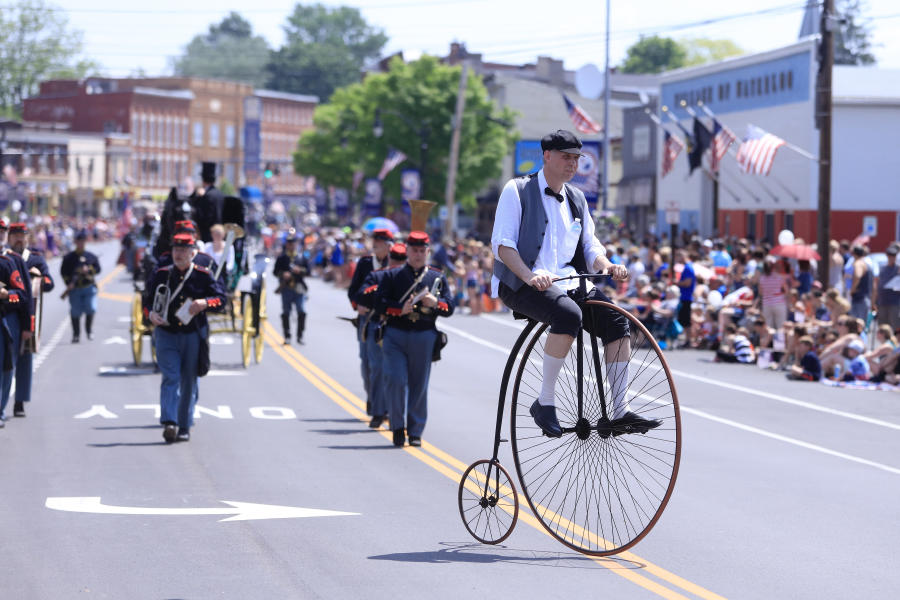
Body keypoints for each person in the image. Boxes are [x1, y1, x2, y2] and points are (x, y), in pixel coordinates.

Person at [490, 129, 658, 438]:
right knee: (568, 314)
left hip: (569, 282)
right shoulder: (517, 190)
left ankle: (620, 410)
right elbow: (503, 245)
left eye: (576, 158)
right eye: (566, 157)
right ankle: (545, 401)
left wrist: (607, 265)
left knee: (617, 320)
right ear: (547, 156)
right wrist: (529, 275)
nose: (572, 164)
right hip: (523, 283)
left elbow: (590, 246)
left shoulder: (577, 198)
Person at [375, 231, 454, 447]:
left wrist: (435, 303)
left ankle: (416, 430)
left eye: (422, 251)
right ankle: (397, 426)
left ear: (427, 252)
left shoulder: (436, 277)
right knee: (396, 380)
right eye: (414, 250)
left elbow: (450, 307)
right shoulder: (393, 275)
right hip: (395, 333)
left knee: (419, 384)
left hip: (424, 334)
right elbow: (379, 303)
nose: (418, 255)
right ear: (407, 250)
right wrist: (398, 309)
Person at [146, 233, 226, 443]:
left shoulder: (202, 275)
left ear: (192, 254)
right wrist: (150, 314)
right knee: (171, 376)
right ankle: (169, 422)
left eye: (183, 251)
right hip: (166, 333)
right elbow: (147, 300)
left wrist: (205, 303)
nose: (178, 254)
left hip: (192, 335)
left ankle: (184, 426)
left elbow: (221, 300)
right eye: (176, 250)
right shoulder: (162, 274)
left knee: (189, 380)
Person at [353, 242, 407, 428]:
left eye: (401, 260)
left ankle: (394, 413)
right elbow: (361, 295)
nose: (397, 263)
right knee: (377, 370)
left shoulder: (413, 278)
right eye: (397, 259)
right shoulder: (378, 276)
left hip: (403, 328)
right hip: (380, 327)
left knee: (397, 374)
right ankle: (379, 411)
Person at [9, 223, 54, 418]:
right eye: (15, 236)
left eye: (22, 236)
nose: (19, 239)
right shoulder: (5, 257)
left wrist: (38, 279)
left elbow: (49, 282)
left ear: (27, 238)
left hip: (28, 314)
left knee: (25, 358)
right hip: (8, 311)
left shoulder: (35, 259)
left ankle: (19, 401)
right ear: (9, 238)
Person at [346, 228, 393, 415]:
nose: (376, 245)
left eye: (380, 242)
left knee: (386, 364)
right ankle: (372, 397)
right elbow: (353, 290)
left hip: (387, 318)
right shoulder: (365, 263)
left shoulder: (396, 263)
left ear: (388, 245)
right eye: (375, 241)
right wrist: (357, 305)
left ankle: (384, 404)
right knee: (367, 363)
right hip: (366, 319)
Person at [0, 222, 31, 426]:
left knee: (5, 366)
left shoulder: (9, 262)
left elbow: (22, 295)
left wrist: (6, 294)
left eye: (1, 232)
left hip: (5, 320)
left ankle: (0, 409)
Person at [60, 230, 100, 343]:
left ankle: (89, 330)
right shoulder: (68, 258)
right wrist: (69, 283)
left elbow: (98, 269)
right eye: (79, 241)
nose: (81, 243)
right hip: (75, 288)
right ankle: (76, 334)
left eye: (82, 241)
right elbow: (63, 272)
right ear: (75, 242)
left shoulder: (90, 256)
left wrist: (89, 270)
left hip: (88, 287)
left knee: (91, 308)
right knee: (75, 312)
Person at [273, 229, 310, 344]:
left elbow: (308, 271)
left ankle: (300, 335)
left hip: (299, 287)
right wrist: (283, 274)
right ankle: (287, 335)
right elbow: (275, 272)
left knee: (301, 311)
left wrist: (300, 270)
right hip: (286, 288)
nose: (291, 246)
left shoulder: (301, 257)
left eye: (293, 243)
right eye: (289, 243)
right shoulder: (282, 258)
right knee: (286, 312)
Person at [191, 162, 224, 244]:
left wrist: (198, 197)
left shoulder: (206, 196)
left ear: (203, 179)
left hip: (206, 235)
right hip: (219, 234)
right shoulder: (220, 194)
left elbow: (200, 215)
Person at [875, 243, 899, 331]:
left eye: (894, 256)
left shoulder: (898, 268)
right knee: (882, 326)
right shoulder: (882, 268)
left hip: (894, 302)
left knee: (894, 325)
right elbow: (877, 284)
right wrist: (875, 301)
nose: (892, 258)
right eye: (890, 256)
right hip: (882, 301)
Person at [848, 245, 873, 321]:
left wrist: (852, 290)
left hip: (859, 299)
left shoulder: (858, 263)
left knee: (857, 324)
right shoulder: (865, 263)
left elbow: (858, 276)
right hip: (864, 298)